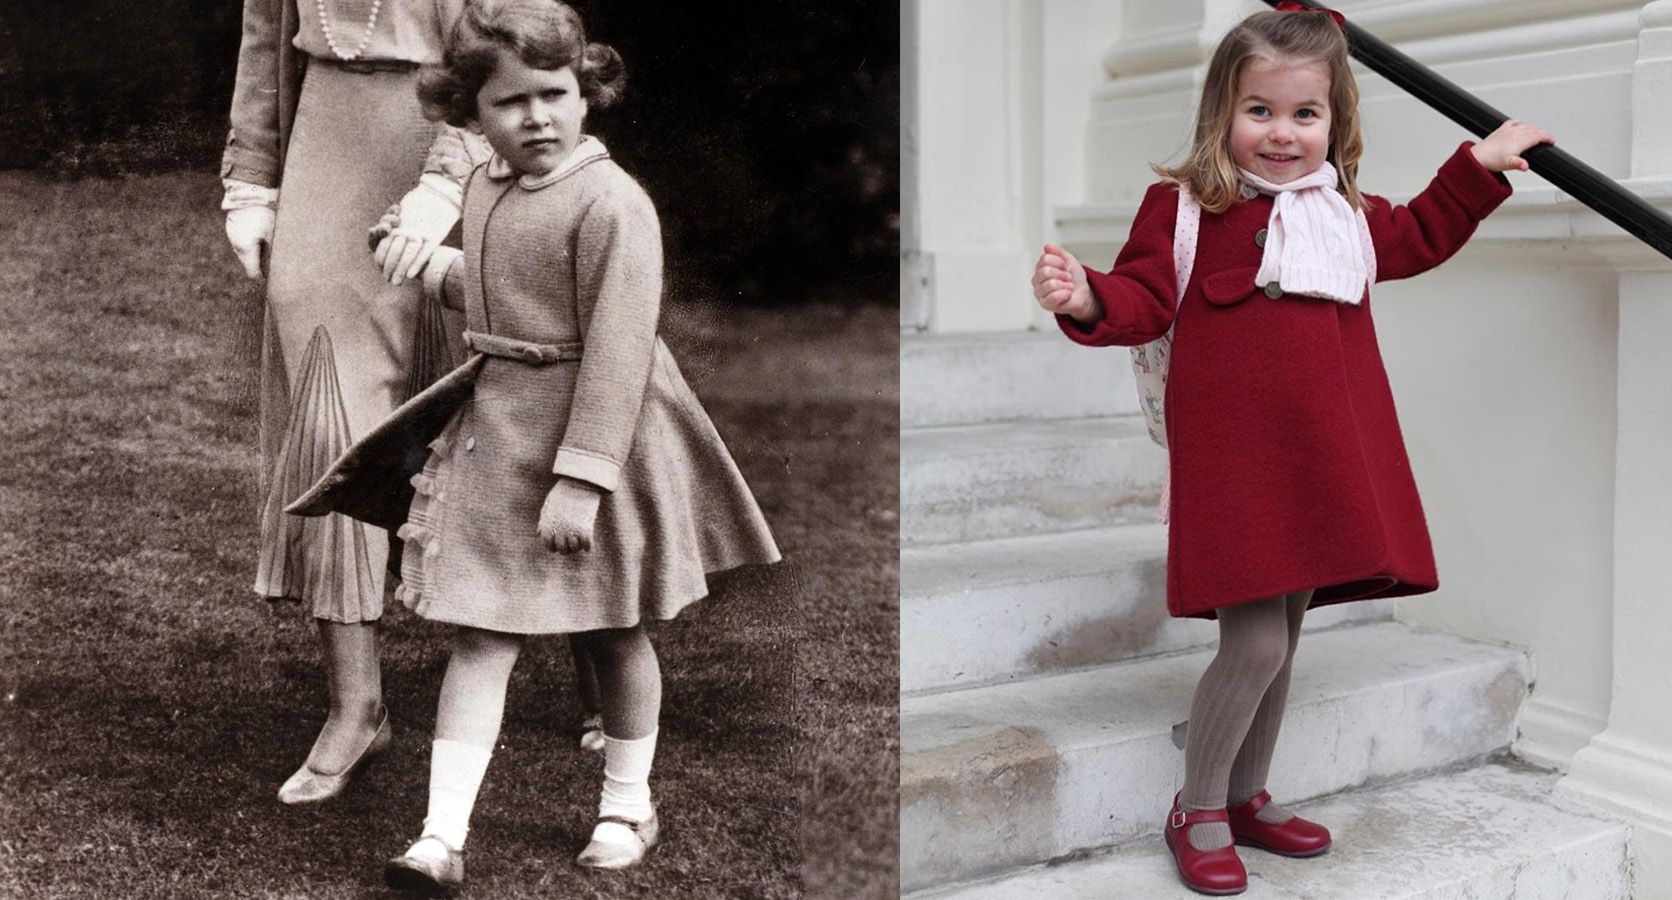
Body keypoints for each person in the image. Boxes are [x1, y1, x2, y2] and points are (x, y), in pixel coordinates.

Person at [1029, 6, 1551, 896]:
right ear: (1220, 115)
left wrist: (1478, 168)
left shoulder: (1343, 212)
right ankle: (1195, 808)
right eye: (1259, 111)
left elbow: (1422, 233)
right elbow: (1145, 297)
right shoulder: (1187, 209)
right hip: (1239, 467)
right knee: (1257, 646)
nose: (1281, 133)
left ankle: (1243, 796)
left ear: (1336, 124)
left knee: (1289, 634)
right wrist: (1085, 297)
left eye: (1305, 115)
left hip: (1320, 459)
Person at [358, 0, 781, 890]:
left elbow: (620, 347)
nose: (536, 117)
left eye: (553, 94)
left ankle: (628, 805)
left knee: (615, 630)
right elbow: (503, 294)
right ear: (470, 112)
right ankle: (440, 837)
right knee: (480, 631)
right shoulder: (488, 186)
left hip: (599, 432)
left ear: (585, 93)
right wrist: (428, 263)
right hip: (501, 425)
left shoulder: (612, 203)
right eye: (509, 103)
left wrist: (582, 480)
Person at [221, 0, 494, 804]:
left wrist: (446, 183)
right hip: (328, 140)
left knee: (505, 395)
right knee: (327, 406)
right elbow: (266, 31)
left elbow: (525, 36)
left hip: (479, 131)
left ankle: (593, 654)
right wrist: (251, 177)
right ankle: (356, 705)